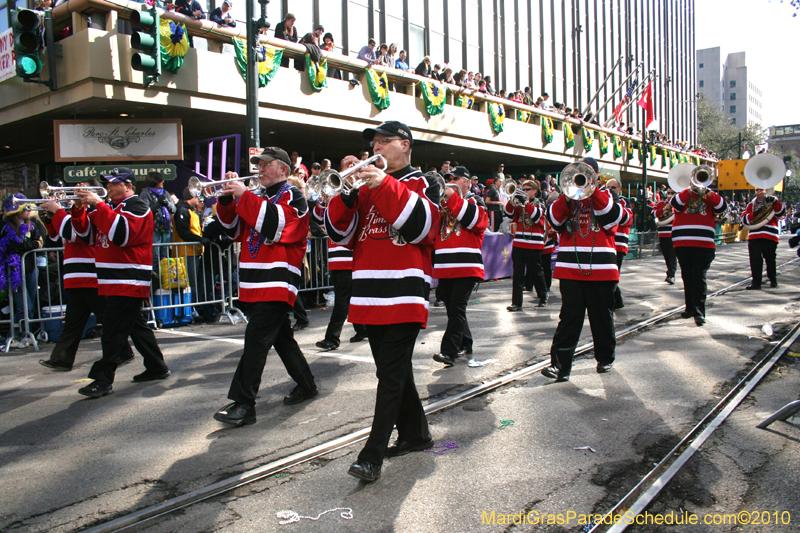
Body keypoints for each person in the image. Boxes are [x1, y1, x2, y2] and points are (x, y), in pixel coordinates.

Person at [325, 121, 440, 483]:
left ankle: (371, 455)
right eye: (373, 142)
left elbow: (425, 228)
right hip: (369, 291)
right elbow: (339, 234)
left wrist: (384, 184)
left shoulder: (424, 182)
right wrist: (346, 196)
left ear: (404, 145)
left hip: (404, 290)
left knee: (389, 374)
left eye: (383, 141)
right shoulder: (363, 187)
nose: (375, 147)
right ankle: (416, 434)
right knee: (394, 370)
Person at [212, 148, 317, 427]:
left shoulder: (293, 195)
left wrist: (244, 195)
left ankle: (244, 403)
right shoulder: (257, 196)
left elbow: (278, 225)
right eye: (258, 165)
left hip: (277, 280)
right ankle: (307, 385)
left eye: (266, 165)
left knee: (255, 341)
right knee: (281, 338)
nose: (260, 169)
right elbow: (234, 230)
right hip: (255, 279)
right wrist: (227, 198)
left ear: (283, 169)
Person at [70, 168, 170, 398]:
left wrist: (98, 204)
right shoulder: (110, 207)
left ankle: (103, 379)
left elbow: (122, 235)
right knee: (136, 326)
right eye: (108, 183)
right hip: (113, 279)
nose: (109, 187)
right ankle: (157, 366)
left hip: (129, 278)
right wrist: (78, 208)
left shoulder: (138, 207)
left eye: (115, 183)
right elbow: (84, 235)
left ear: (129, 186)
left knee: (112, 331)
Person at [542, 158, 629, 382]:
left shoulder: (608, 196)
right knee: (569, 318)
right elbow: (554, 221)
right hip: (570, 268)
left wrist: (593, 191)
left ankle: (605, 358)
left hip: (602, 269)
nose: (580, 179)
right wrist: (567, 197)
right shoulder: (567, 198)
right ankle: (559, 366)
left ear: (596, 176)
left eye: (586, 174)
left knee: (601, 318)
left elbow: (612, 220)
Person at [38, 180, 134, 371]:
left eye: (82, 188)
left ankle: (123, 351)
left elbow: (78, 234)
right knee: (73, 321)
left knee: (107, 318)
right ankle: (62, 358)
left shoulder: (97, 210)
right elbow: (55, 237)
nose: (77, 191)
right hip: (75, 271)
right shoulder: (77, 209)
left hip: (90, 271)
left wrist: (58, 211)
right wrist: (50, 216)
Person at [432, 166, 488, 367]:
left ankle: (449, 351)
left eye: (455, 178)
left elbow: (477, 222)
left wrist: (451, 197)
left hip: (466, 266)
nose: (451, 181)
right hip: (445, 267)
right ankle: (465, 343)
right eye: (448, 178)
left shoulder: (475, 201)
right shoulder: (443, 205)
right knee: (453, 310)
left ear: (467, 182)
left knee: (456, 309)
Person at [311, 159, 368, 351]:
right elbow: (317, 217)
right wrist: (324, 199)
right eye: (349, 163)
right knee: (348, 296)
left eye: (355, 162)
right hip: (337, 255)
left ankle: (332, 338)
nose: (353, 165)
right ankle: (362, 329)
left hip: (354, 254)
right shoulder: (334, 190)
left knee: (343, 298)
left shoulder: (360, 190)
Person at [670, 180, 728, 326]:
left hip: (704, 244)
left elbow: (722, 207)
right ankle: (690, 308)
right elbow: (675, 204)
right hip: (683, 243)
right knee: (687, 276)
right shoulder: (683, 195)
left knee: (699, 276)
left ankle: (699, 311)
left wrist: (708, 193)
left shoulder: (710, 196)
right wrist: (690, 190)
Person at [0, 195, 43, 347]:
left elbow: (39, 242)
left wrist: (28, 245)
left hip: (31, 268)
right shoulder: (6, 228)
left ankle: (25, 334)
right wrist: (30, 245)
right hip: (15, 271)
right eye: (25, 208)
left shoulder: (33, 226)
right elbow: (12, 246)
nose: (28, 211)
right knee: (24, 307)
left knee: (30, 305)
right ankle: (17, 335)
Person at [173, 186, 217, 322]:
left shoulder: (189, 211)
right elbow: (183, 232)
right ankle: (190, 311)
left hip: (193, 251)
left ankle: (194, 309)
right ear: (191, 197)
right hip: (186, 252)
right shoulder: (183, 210)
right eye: (197, 196)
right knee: (190, 283)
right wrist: (200, 239)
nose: (199, 199)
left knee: (195, 283)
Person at [504, 180, 548, 311]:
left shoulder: (540, 204)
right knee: (517, 274)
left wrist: (525, 202)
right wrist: (511, 200)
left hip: (534, 244)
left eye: (528, 189)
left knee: (536, 272)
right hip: (519, 243)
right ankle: (516, 303)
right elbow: (508, 213)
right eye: (523, 189)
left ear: (535, 191)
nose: (525, 191)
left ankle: (543, 296)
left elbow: (537, 217)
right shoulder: (519, 204)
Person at [742, 188, 784, 289]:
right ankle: (756, 283)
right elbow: (745, 219)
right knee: (755, 260)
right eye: (757, 190)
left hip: (770, 235)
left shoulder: (772, 202)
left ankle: (773, 279)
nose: (758, 192)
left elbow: (780, 213)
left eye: (761, 190)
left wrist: (775, 202)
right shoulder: (751, 205)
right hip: (754, 235)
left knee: (770, 259)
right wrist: (756, 213)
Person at [139, 171, 176, 277]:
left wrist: (167, 203)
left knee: (164, 256)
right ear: (154, 181)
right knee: (154, 256)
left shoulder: (165, 193)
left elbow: (174, 209)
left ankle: (164, 279)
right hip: (153, 229)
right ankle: (155, 279)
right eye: (160, 180)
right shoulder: (145, 193)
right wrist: (157, 204)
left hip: (165, 229)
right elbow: (144, 212)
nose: (163, 181)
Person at [606, 179, 633, 310]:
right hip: (606, 244)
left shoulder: (624, 201)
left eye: (613, 187)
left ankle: (612, 302)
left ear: (619, 189)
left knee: (613, 276)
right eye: (608, 187)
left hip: (618, 244)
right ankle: (618, 301)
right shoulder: (604, 201)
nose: (610, 190)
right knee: (608, 275)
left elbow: (626, 220)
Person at [653, 188, 677, 284]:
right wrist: (664, 209)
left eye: (672, 193)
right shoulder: (660, 203)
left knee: (672, 255)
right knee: (666, 255)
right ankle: (670, 272)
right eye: (668, 192)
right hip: (662, 233)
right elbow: (653, 213)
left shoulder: (678, 204)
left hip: (673, 233)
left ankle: (671, 275)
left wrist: (672, 207)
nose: (670, 194)